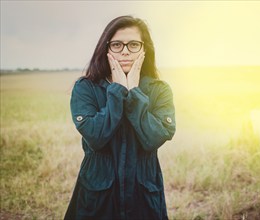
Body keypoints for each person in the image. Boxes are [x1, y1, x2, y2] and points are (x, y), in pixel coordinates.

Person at [64, 15, 176, 220]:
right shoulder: (86, 87)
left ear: (144, 49)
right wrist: (117, 91)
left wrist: (134, 92)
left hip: (143, 194)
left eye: (133, 44)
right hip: (98, 195)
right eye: (117, 44)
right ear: (106, 48)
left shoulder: (159, 90)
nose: (125, 51)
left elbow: (155, 137)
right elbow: (96, 137)